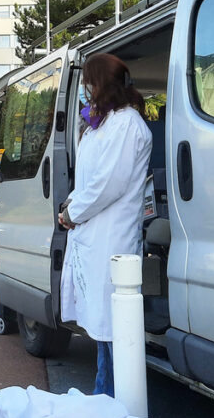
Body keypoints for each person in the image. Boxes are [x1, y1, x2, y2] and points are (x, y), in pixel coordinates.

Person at [58, 54, 151, 397]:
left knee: (113, 328)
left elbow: (107, 184)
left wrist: (72, 213)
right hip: (93, 235)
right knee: (102, 329)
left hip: (111, 237)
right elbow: (87, 181)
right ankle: (104, 398)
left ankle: (112, 404)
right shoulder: (102, 124)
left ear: (102, 85)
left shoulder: (127, 124)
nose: (85, 90)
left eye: (88, 83)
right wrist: (70, 205)